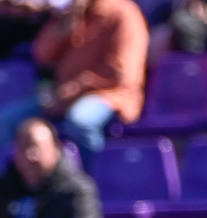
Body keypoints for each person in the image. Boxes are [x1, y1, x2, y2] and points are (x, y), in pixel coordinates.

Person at [0, 0, 149, 167]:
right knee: (7, 120)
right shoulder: (68, 14)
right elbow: (42, 55)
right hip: (63, 96)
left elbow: (119, 72)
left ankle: (90, 182)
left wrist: (71, 92)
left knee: (80, 122)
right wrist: (65, 26)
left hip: (110, 95)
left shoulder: (123, 13)